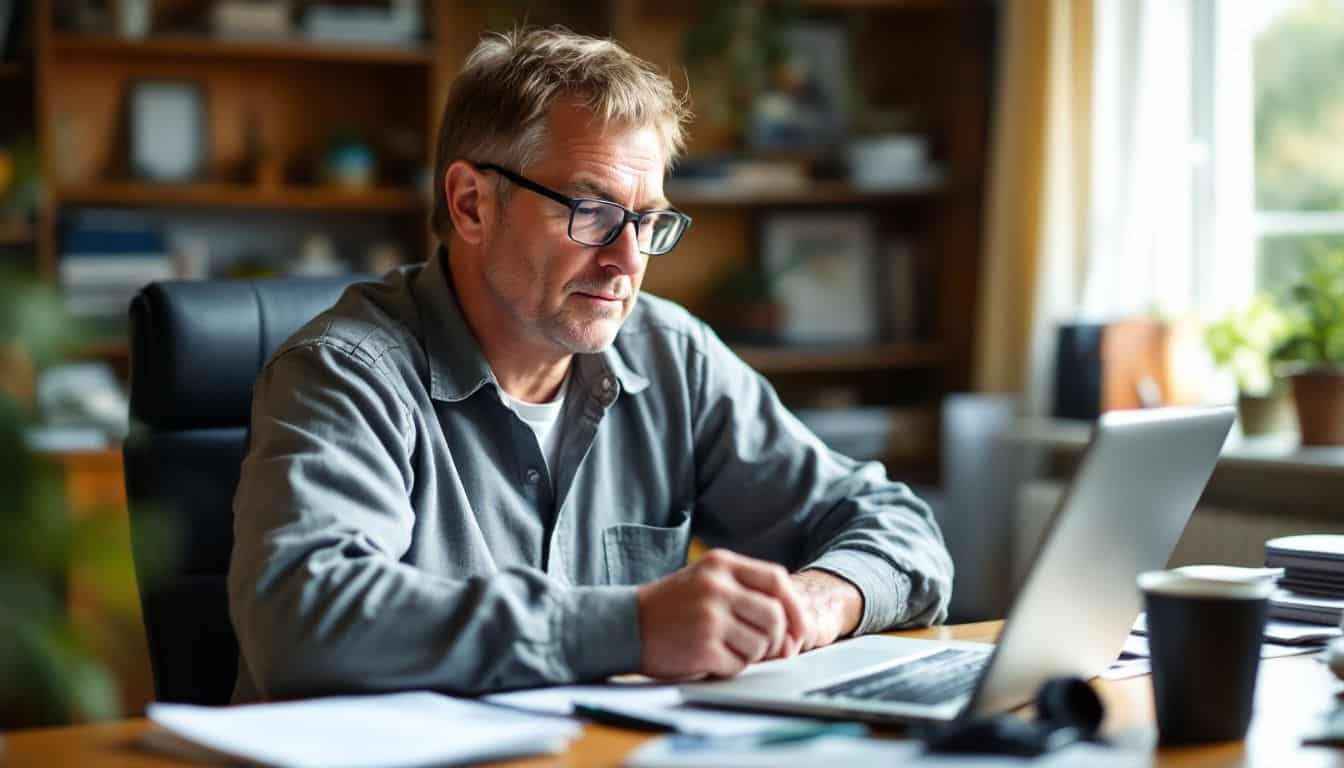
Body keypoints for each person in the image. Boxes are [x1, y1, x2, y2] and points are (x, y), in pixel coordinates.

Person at [227, 27, 953, 703]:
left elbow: (897, 527)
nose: (627, 261)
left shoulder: (674, 357)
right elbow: (305, 621)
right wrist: (633, 626)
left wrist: (822, 601)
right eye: (592, 211)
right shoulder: (344, 374)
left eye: (647, 221)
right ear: (472, 203)